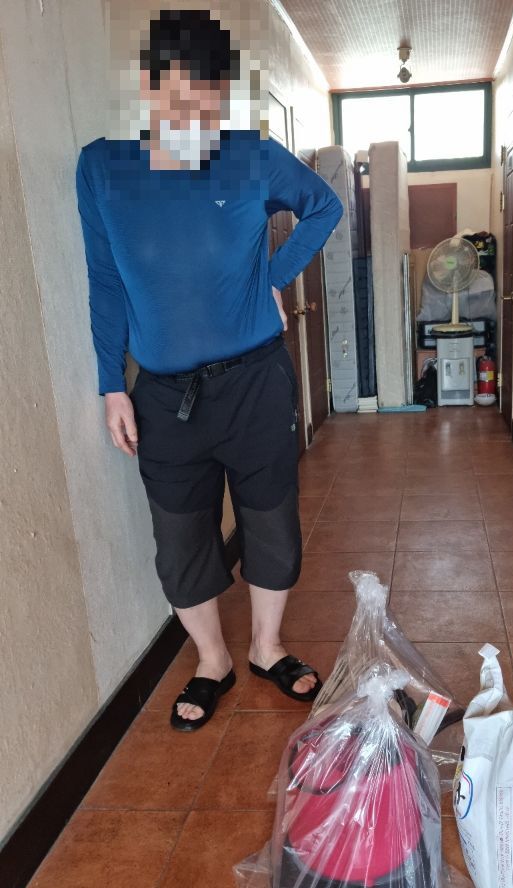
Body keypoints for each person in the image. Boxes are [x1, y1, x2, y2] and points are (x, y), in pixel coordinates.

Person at [75, 9, 343, 731]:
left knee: (271, 522)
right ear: (147, 85)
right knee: (180, 538)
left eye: (209, 99)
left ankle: (266, 647)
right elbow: (105, 280)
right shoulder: (101, 168)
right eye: (178, 95)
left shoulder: (249, 154)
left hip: (256, 382)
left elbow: (324, 206)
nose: (194, 117)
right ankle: (213, 659)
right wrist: (111, 385)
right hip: (164, 396)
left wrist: (272, 278)